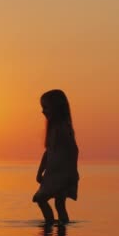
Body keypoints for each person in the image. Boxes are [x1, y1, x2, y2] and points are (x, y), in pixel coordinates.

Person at [32, 89, 79, 225]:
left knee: (43, 199)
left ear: (56, 108)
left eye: (45, 107)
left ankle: (53, 228)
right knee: (56, 203)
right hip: (53, 174)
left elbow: (73, 150)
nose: (43, 111)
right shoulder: (53, 129)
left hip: (61, 174)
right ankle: (54, 227)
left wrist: (69, 173)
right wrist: (40, 171)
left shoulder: (63, 129)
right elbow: (48, 153)